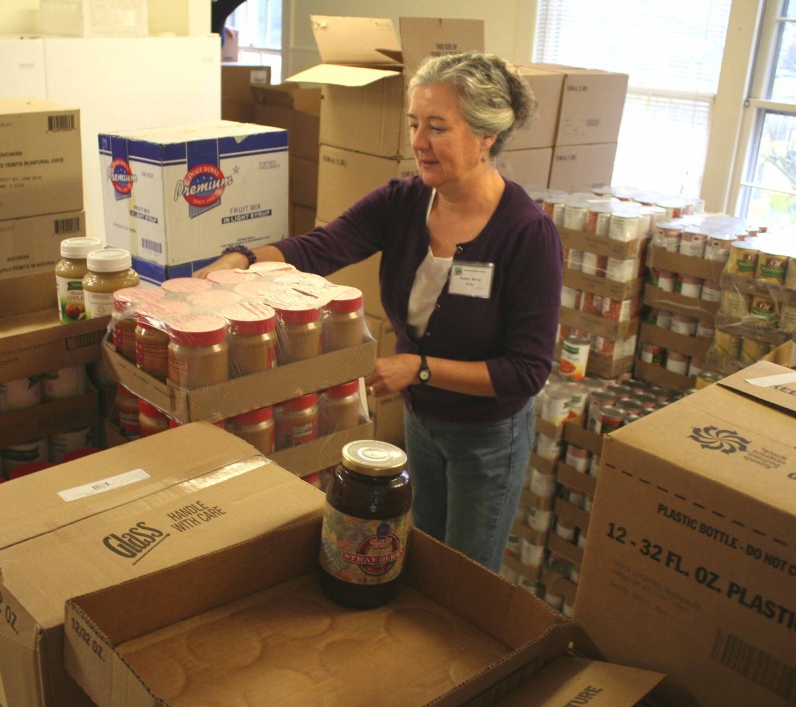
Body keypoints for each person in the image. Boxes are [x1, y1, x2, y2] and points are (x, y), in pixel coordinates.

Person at [195, 52, 562, 573]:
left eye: (437, 127)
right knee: (425, 557)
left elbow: (526, 372)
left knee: (466, 574)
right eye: (415, 124)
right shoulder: (404, 202)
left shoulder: (527, 234)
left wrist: (419, 368)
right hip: (421, 421)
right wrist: (243, 258)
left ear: (486, 136)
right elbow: (322, 247)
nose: (418, 141)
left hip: (487, 438)